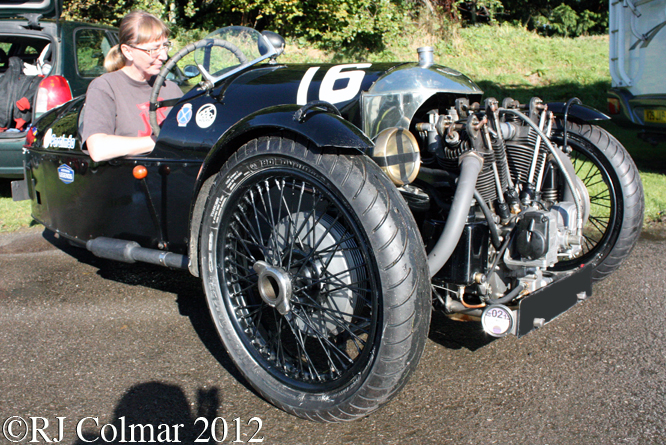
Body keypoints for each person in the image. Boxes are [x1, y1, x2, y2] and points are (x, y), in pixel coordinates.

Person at [80, 11, 183, 162]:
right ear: (128, 52)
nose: (164, 56)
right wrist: (159, 141)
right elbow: (98, 148)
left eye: (165, 46)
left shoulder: (171, 88)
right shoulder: (105, 87)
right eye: (153, 49)